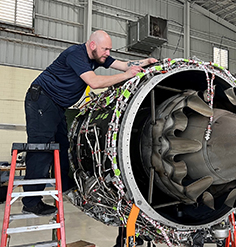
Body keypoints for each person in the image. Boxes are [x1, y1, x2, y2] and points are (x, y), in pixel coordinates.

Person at [22, 30, 158, 216]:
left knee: (63, 147)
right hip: (41, 100)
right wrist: (127, 76)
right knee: (42, 148)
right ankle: (31, 201)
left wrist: (146, 62)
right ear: (92, 45)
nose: (108, 53)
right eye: (105, 49)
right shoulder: (75, 54)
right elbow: (94, 82)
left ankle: (65, 187)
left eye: (109, 49)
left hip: (57, 106)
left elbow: (125, 64)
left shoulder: (98, 57)